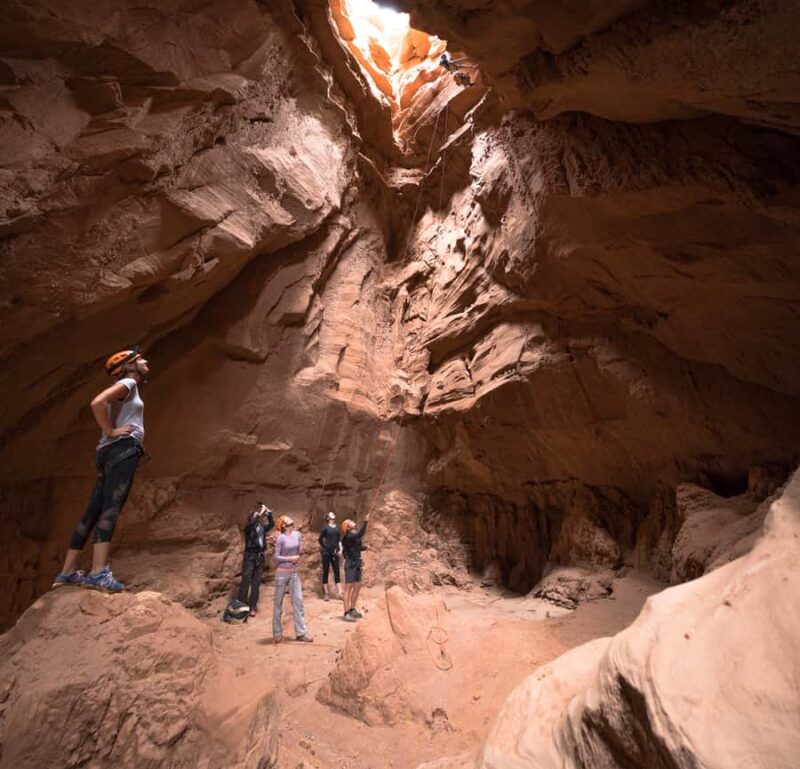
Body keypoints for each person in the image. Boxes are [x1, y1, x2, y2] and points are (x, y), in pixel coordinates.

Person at [52, 346, 149, 593]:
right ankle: (98, 573)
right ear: (129, 366)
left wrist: (110, 434)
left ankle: (66, 573)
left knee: (92, 511)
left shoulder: (127, 386)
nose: (145, 361)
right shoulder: (129, 383)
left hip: (107, 452)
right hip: (122, 449)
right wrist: (111, 431)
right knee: (111, 508)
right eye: (140, 359)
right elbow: (97, 402)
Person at [272, 516, 313, 643]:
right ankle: (277, 633)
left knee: (298, 601)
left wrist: (301, 547)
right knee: (278, 603)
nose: (289, 519)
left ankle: (301, 633)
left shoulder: (297, 534)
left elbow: (300, 550)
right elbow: (276, 557)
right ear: (283, 525)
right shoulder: (281, 538)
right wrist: (290, 559)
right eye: (286, 519)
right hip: (282, 573)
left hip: (294, 572)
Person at [237, 502, 274, 617]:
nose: (257, 517)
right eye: (254, 516)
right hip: (250, 555)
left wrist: (269, 515)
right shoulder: (248, 528)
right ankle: (241, 605)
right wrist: (258, 514)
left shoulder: (261, 528)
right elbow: (251, 524)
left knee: (256, 582)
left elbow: (271, 525)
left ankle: (253, 606)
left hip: (260, 556)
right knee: (246, 580)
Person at [341, 510, 370, 622]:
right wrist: (366, 521)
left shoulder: (353, 536)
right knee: (348, 588)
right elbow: (360, 534)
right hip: (350, 563)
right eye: (349, 521)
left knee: (357, 586)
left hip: (357, 562)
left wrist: (365, 547)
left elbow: (357, 547)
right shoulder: (348, 536)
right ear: (347, 527)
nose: (352, 521)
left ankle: (352, 609)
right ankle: (346, 613)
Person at [318, 511, 343, 601]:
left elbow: (339, 540)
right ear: (328, 518)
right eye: (330, 514)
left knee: (337, 571)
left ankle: (340, 592)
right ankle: (326, 593)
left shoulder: (337, 527)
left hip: (335, 552)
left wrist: (341, 549)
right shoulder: (325, 528)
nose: (332, 514)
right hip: (326, 553)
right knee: (325, 571)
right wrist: (325, 547)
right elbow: (320, 539)